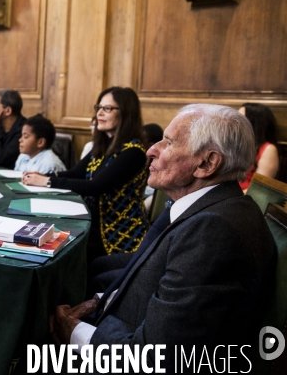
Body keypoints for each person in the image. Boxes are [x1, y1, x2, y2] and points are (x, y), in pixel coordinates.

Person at [50, 104, 277, 371]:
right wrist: (100, 301)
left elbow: (155, 357)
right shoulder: (205, 207)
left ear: (207, 163)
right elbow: (155, 280)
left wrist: (73, 332)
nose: (151, 150)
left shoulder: (214, 232)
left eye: (168, 143)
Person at [22, 87, 149, 263]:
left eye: (108, 109)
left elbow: (95, 187)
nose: (99, 114)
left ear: (126, 113)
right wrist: (43, 176)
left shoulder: (133, 152)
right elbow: (76, 173)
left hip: (117, 233)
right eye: (99, 108)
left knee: (60, 254)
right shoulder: (103, 146)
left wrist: (47, 181)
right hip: (92, 223)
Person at [238, 103, 280, 191]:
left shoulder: (268, 149)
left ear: (254, 123)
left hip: (245, 198)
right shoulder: (239, 143)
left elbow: (259, 190)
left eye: (241, 119)